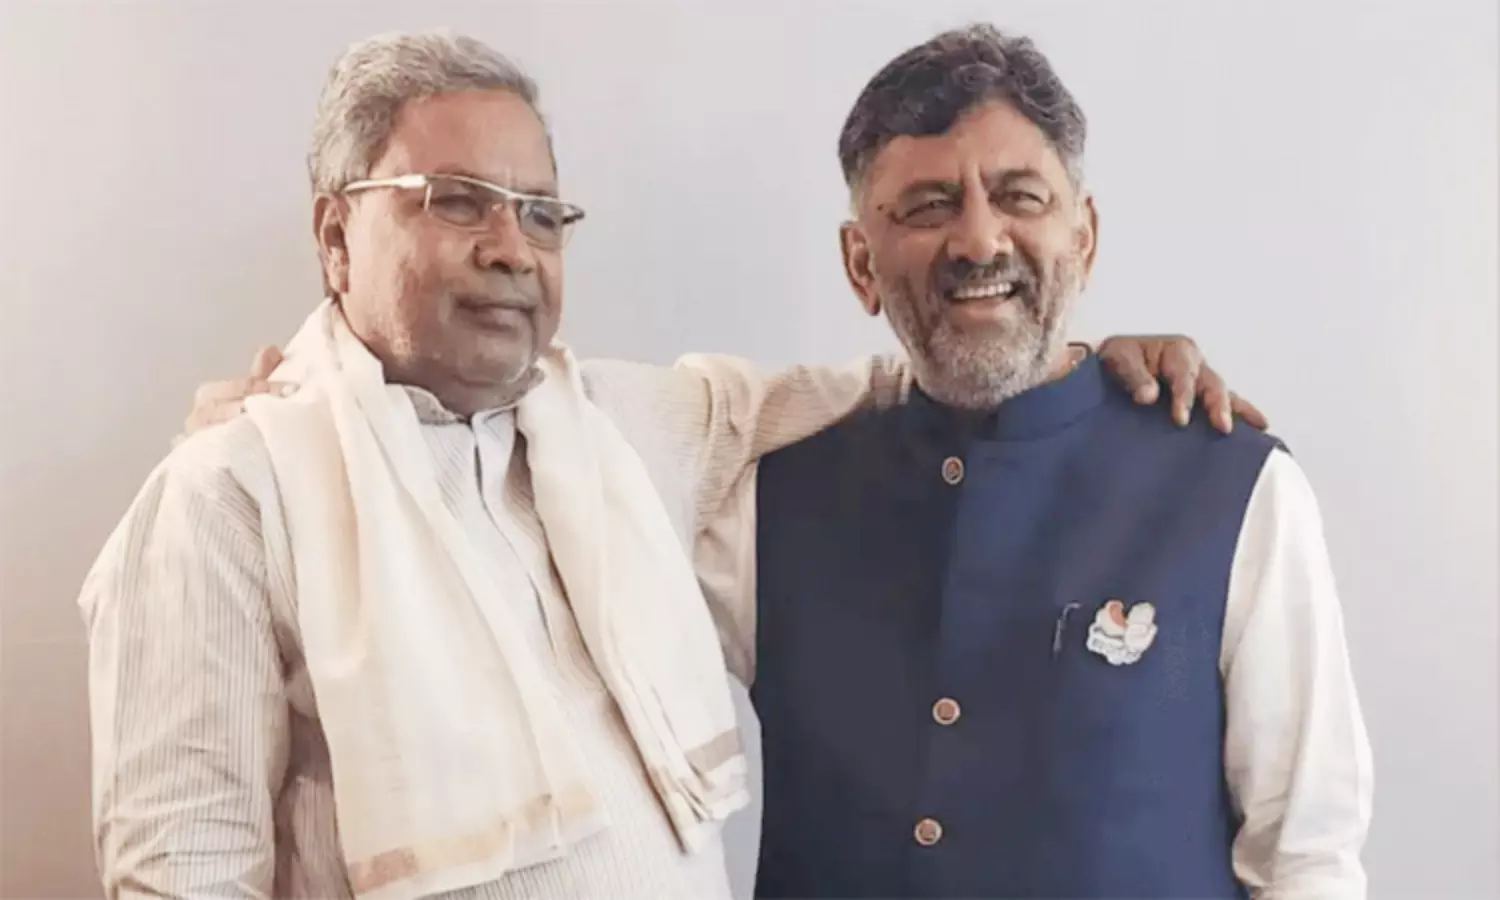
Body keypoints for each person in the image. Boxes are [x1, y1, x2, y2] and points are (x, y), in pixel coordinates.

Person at [135, 29, 1262, 900]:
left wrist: (1095, 364)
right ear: (335, 237)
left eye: (540, 213)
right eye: (457, 203)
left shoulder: (630, 427)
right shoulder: (237, 495)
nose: (510, 248)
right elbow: (183, 872)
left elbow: (930, 370)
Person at [731, 24, 1372, 900]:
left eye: (1020, 197)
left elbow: (1307, 861)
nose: (979, 240)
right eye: (928, 205)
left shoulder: (1234, 487)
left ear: (1085, 236)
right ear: (859, 264)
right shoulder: (766, 501)